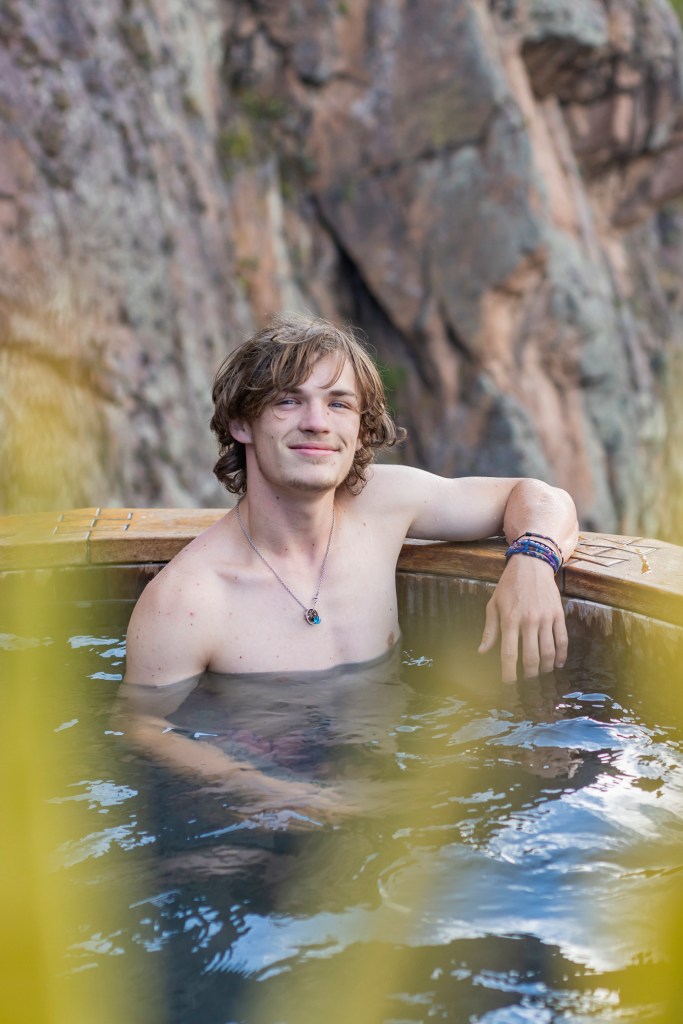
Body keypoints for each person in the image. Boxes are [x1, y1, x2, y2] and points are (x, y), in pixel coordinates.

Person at [122, 313, 578, 815]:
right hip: (264, 814)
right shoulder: (188, 598)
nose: (317, 422)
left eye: (338, 403)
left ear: (360, 430)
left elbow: (538, 495)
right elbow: (141, 730)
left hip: (389, 781)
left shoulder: (383, 506)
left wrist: (533, 561)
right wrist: (293, 800)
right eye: (288, 400)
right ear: (241, 423)